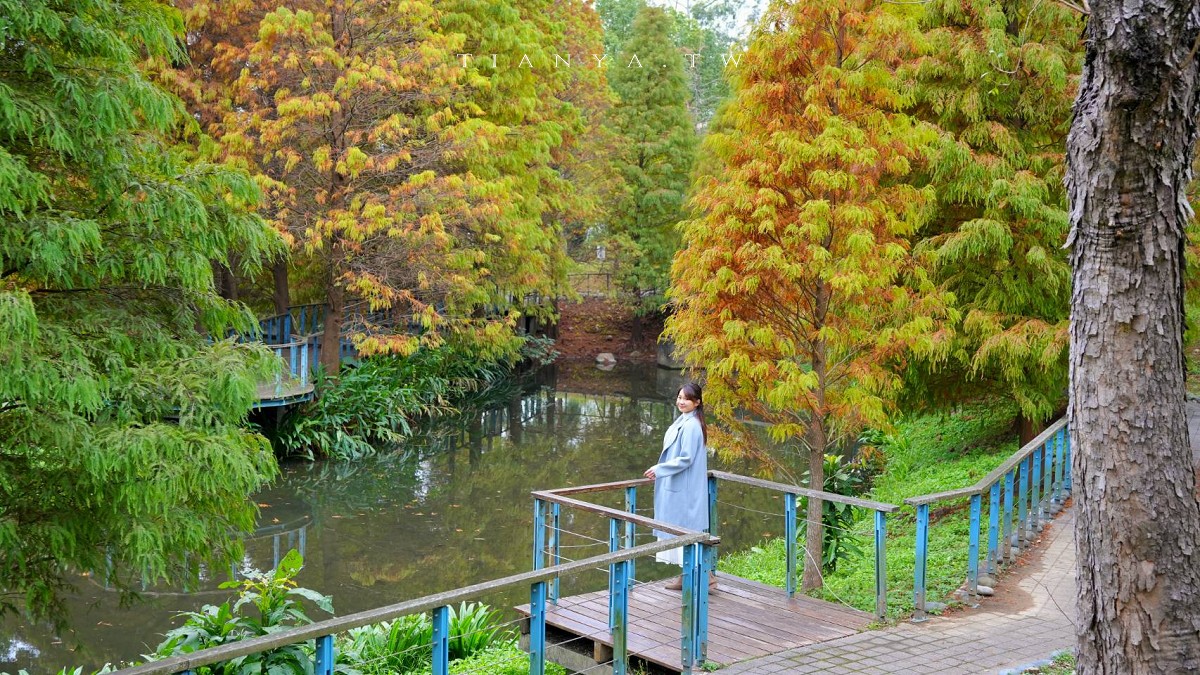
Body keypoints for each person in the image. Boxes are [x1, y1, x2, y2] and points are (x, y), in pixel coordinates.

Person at [644, 382, 717, 591]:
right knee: (679, 531)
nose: (681, 402)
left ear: (697, 402)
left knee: (684, 530)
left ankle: (707, 576)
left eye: (686, 399)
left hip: (684, 488)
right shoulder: (684, 421)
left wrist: (660, 469)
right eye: (679, 398)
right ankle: (686, 575)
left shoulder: (692, 426)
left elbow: (685, 459)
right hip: (677, 485)